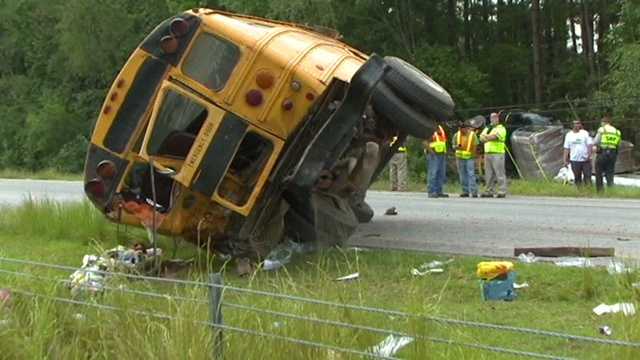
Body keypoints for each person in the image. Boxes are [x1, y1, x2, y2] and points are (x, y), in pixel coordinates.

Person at [479, 112, 507, 198]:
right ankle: (489, 191)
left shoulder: (501, 128)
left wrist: (486, 137)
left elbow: (495, 137)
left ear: (498, 119)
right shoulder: (487, 128)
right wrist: (488, 137)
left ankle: (502, 191)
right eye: (492, 117)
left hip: (498, 153)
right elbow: (481, 138)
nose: (493, 119)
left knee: (499, 173)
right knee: (488, 174)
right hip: (487, 153)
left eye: (495, 117)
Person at [593, 113, 622, 192]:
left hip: (603, 153)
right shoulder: (617, 132)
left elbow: (596, 141)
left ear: (604, 122)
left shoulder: (602, 130)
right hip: (613, 154)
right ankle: (610, 190)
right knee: (610, 172)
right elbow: (618, 144)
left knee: (599, 172)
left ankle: (600, 191)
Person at [452, 122, 479, 197]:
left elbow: (476, 145)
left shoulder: (472, 135)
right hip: (460, 158)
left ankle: (474, 192)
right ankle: (465, 191)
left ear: (466, 128)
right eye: (459, 129)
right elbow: (453, 146)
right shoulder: (456, 135)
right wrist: (457, 146)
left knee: (471, 174)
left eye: (462, 129)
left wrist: (474, 155)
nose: (460, 130)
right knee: (462, 174)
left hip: (470, 157)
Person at [563, 120, 593, 186]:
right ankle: (580, 191)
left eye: (578, 123)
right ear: (572, 125)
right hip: (574, 159)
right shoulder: (569, 135)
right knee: (577, 177)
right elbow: (566, 148)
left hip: (585, 159)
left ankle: (589, 190)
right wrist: (565, 160)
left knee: (587, 176)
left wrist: (590, 155)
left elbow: (590, 145)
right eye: (575, 124)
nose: (577, 125)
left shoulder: (585, 133)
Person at [424, 125, 448, 198]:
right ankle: (431, 191)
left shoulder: (441, 128)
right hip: (433, 154)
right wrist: (430, 151)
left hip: (441, 154)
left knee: (441, 173)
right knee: (433, 173)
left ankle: (439, 191)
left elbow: (443, 141)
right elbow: (425, 142)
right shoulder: (429, 128)